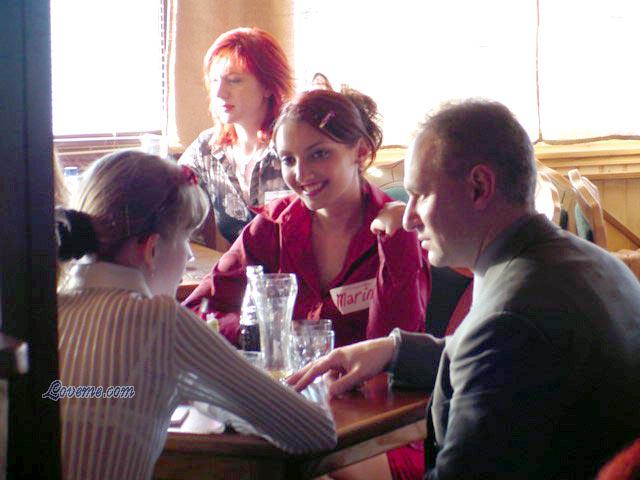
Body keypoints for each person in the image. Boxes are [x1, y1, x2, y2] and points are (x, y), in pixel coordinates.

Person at [289, 100, 640, 479]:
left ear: (479, 187)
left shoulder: (508, 321)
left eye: (421, 194)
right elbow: (503, 363)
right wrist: (393, 350)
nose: (408, 218)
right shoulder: (594, 263)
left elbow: (496, 350)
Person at [55, 150, 336, 480]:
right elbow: (316, 432)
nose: (189, 254)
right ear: (151, 249)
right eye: (186, 238)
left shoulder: (46, 310)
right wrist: (313, 382)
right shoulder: (160, 321)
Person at [184, 88, 430, 351]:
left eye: (319, 154)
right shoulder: (271, 227)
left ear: (360, 152)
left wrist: (398, 243)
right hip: (282, 377)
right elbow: (196, 311)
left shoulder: (399, 231)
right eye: (289, 160)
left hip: (361, 379)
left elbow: (395, 347)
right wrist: (260, 332)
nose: (301, 174)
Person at [179, 27, 294, 248]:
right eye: (214, 81)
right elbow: (170, 196)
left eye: (234, 80)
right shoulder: (207, 149)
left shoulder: (294, 147)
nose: (219, 93)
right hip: (239, 268)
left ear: (268, 86)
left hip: (298, 269)